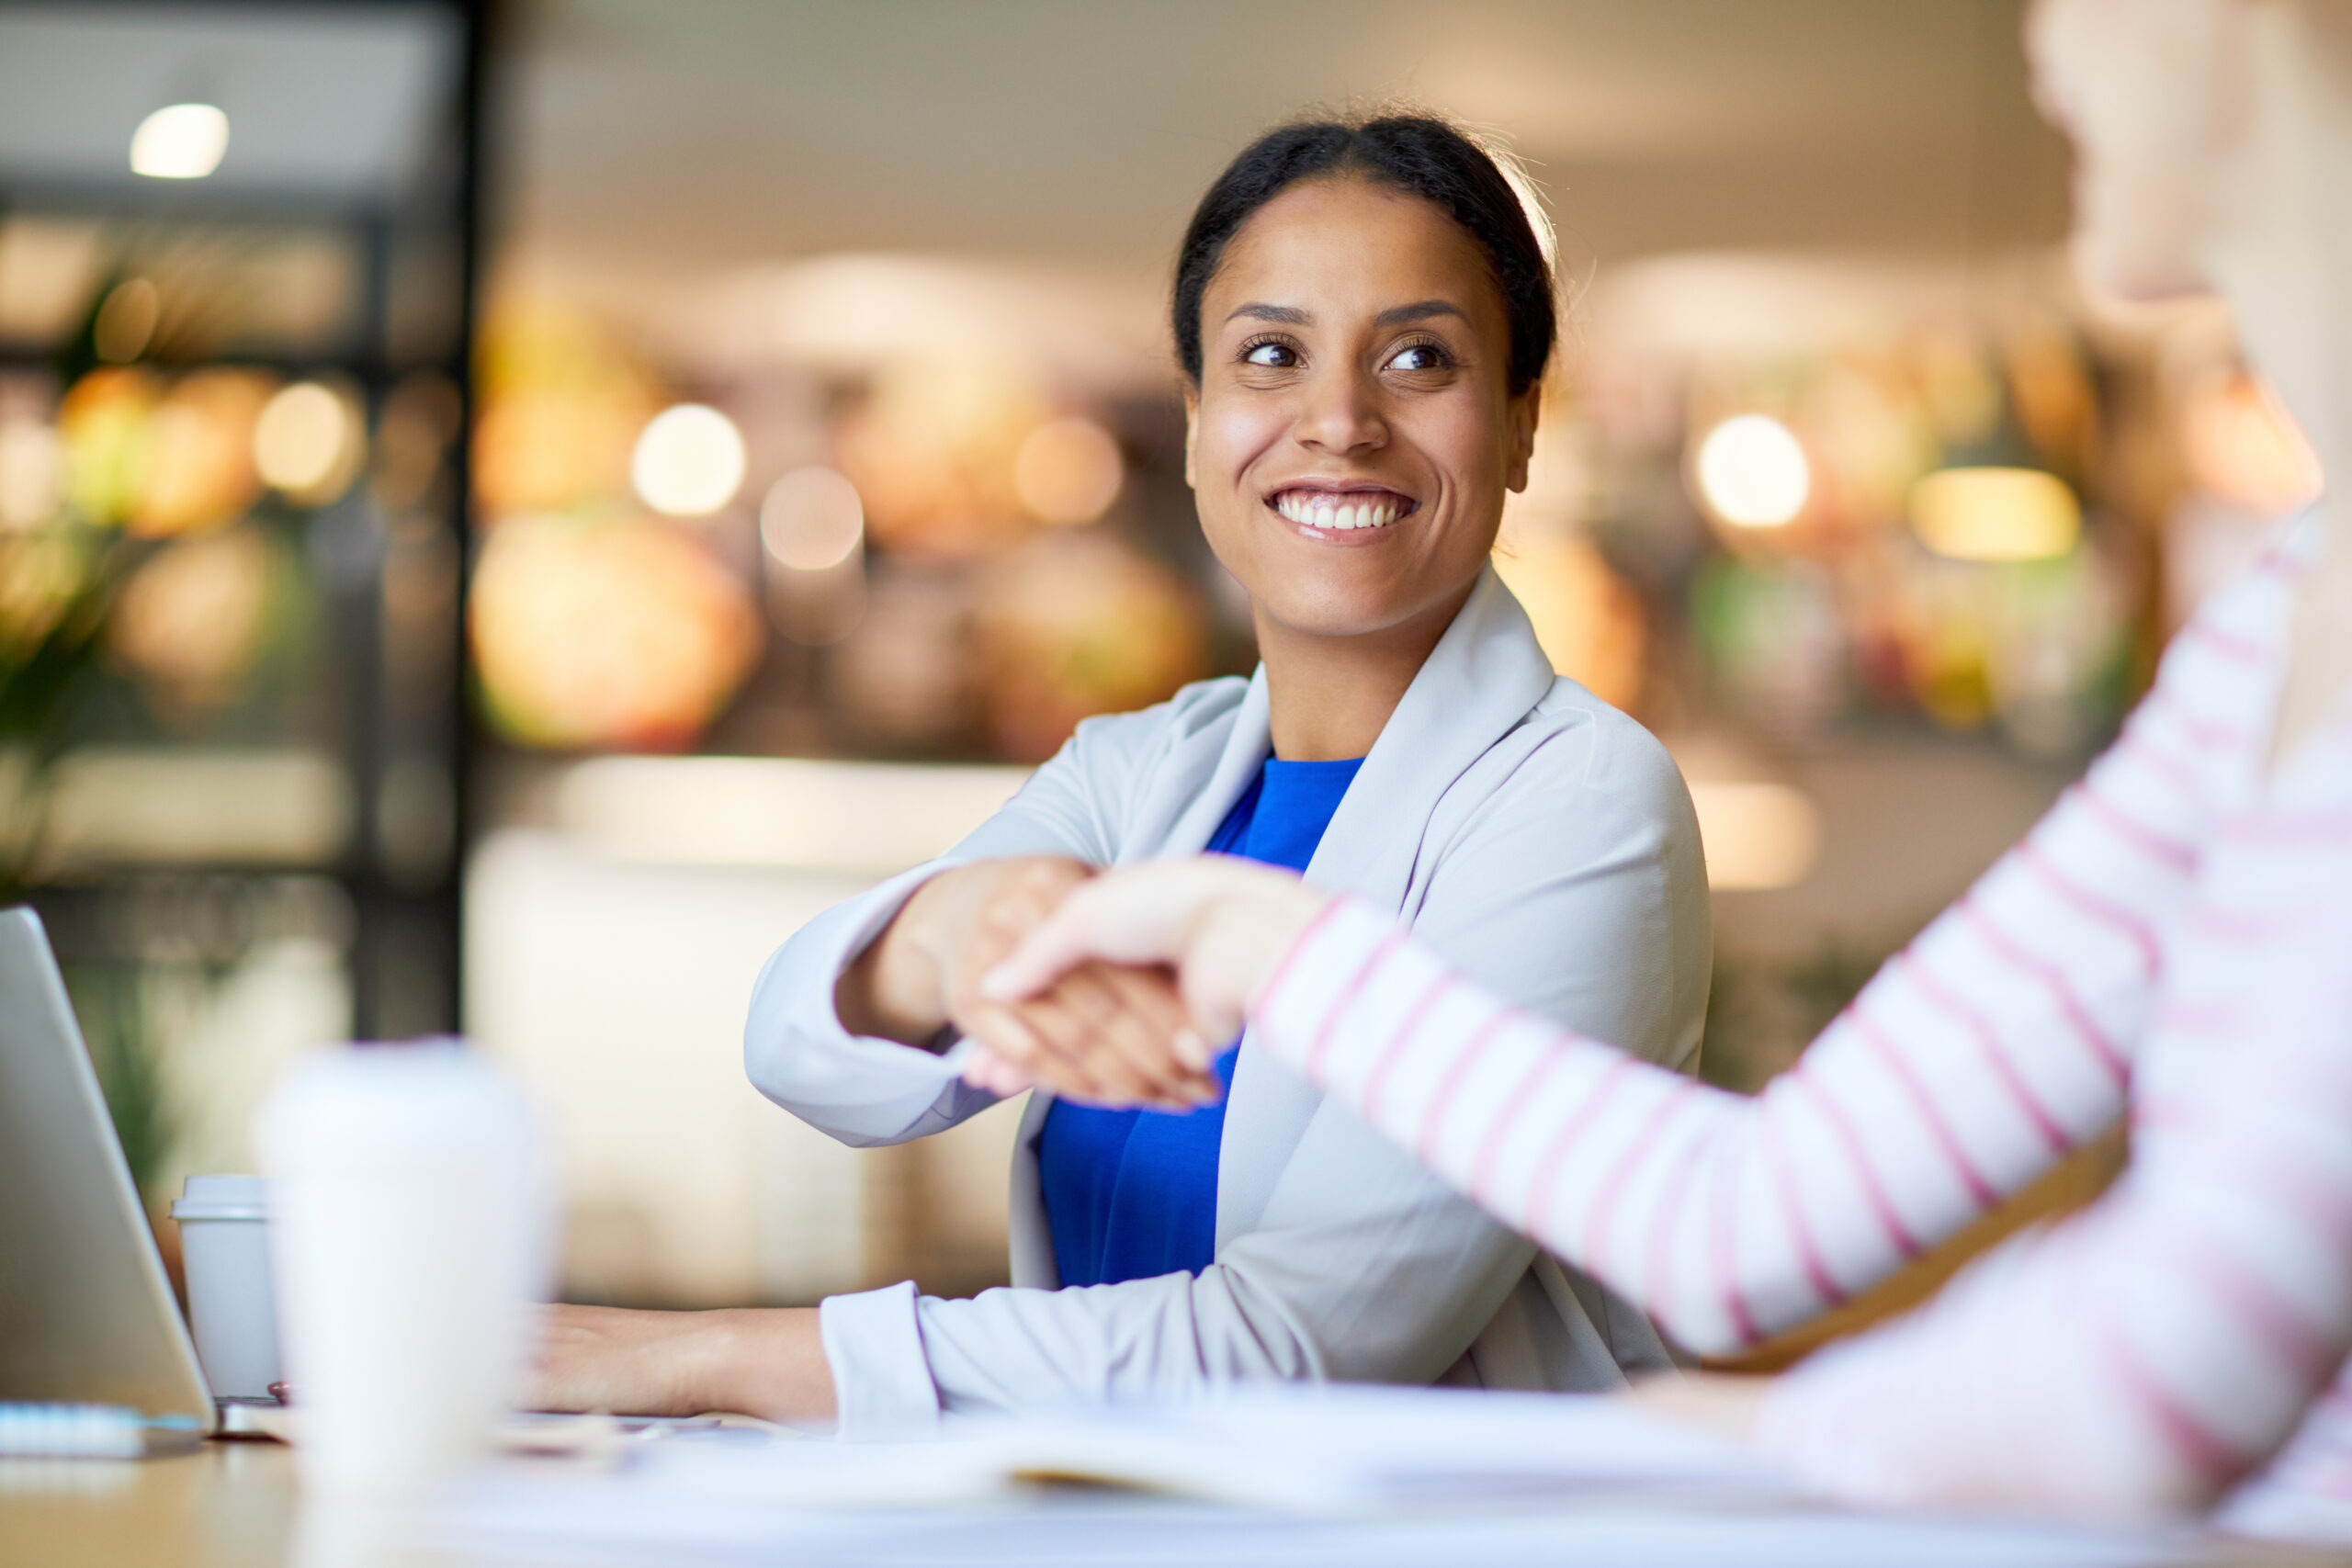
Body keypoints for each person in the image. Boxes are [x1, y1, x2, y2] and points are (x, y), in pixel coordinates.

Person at [971, 0, 2352, 1536]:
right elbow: (1752, 1217)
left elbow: (2170, 1368)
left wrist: (1745, 1443)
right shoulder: (2282, 622)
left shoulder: (1584, 788)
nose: (2040, 52)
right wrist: (1260, 946)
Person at [532, 114, 1711, 1434]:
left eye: (1419, 359)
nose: (1339, 420)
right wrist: (953, 933)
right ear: (1201, 421)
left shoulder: (1580, 803)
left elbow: (1302, 1346)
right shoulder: (1148, 771)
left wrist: (698, 1361)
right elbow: (800, 1045)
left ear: (1521, 426)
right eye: (1271, 355)